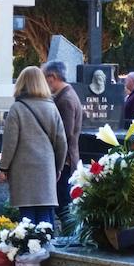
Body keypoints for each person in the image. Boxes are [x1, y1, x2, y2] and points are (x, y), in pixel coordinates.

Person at [0, 67, 67, 229]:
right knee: (45, 212)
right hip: (46, 168)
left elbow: (10, 142)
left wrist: (3, 167)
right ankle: (46, 251)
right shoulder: (52, 108)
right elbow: (62, 143)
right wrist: (57, 168)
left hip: (23, 170)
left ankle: (29, 249)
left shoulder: (17, 108)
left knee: (27, 215)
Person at [42, 61, 82, 217]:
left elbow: (65, 134)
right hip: (65, 160)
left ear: (52, 77)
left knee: (64, 207)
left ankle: (69, 240)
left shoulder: (65, 100)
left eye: (44, 78)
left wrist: (58, 165)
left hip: (64, 162)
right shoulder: (65, 95)